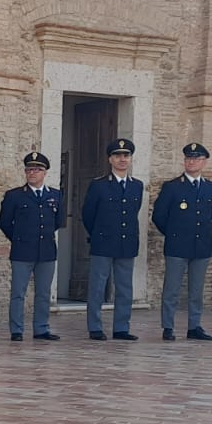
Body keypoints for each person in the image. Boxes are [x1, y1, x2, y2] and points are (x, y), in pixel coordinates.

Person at [152, 142, 212, 342]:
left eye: (197, 159)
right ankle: (168, 326)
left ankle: (194, 326)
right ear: (184, 161)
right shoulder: (172, 187)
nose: (192, 162)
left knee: (197, 290)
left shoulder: (210, 187)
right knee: (172, 289)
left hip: (201, 245)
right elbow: (159, 216)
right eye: (189, 158)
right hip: (177, 245)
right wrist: (173, 233)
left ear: (204, 162)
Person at [0, 151, 64, 342]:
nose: (33, 173)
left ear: (45, 173)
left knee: (43, 293)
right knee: (18, 292)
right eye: (29, 169)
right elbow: (5, 222)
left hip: (46, 251)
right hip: (22, 250)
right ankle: (17, 330)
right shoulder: (15, 196)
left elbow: (58, 221)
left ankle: (41, 328)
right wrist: (18, 238)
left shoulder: (56, 195)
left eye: (37, 169)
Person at [82, 137, 143, 341]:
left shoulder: (137, 186)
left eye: (126, 155)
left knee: (125, 288)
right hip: (103, 242)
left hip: (127, 243)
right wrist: (98, 233)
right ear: (110, 159)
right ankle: (95, 327)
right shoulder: (99, 185)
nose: (122, 159)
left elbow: (134, 212)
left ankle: (121, 328)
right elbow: (88, 215)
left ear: (131, 159)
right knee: (98, 287)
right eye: (117, 155)